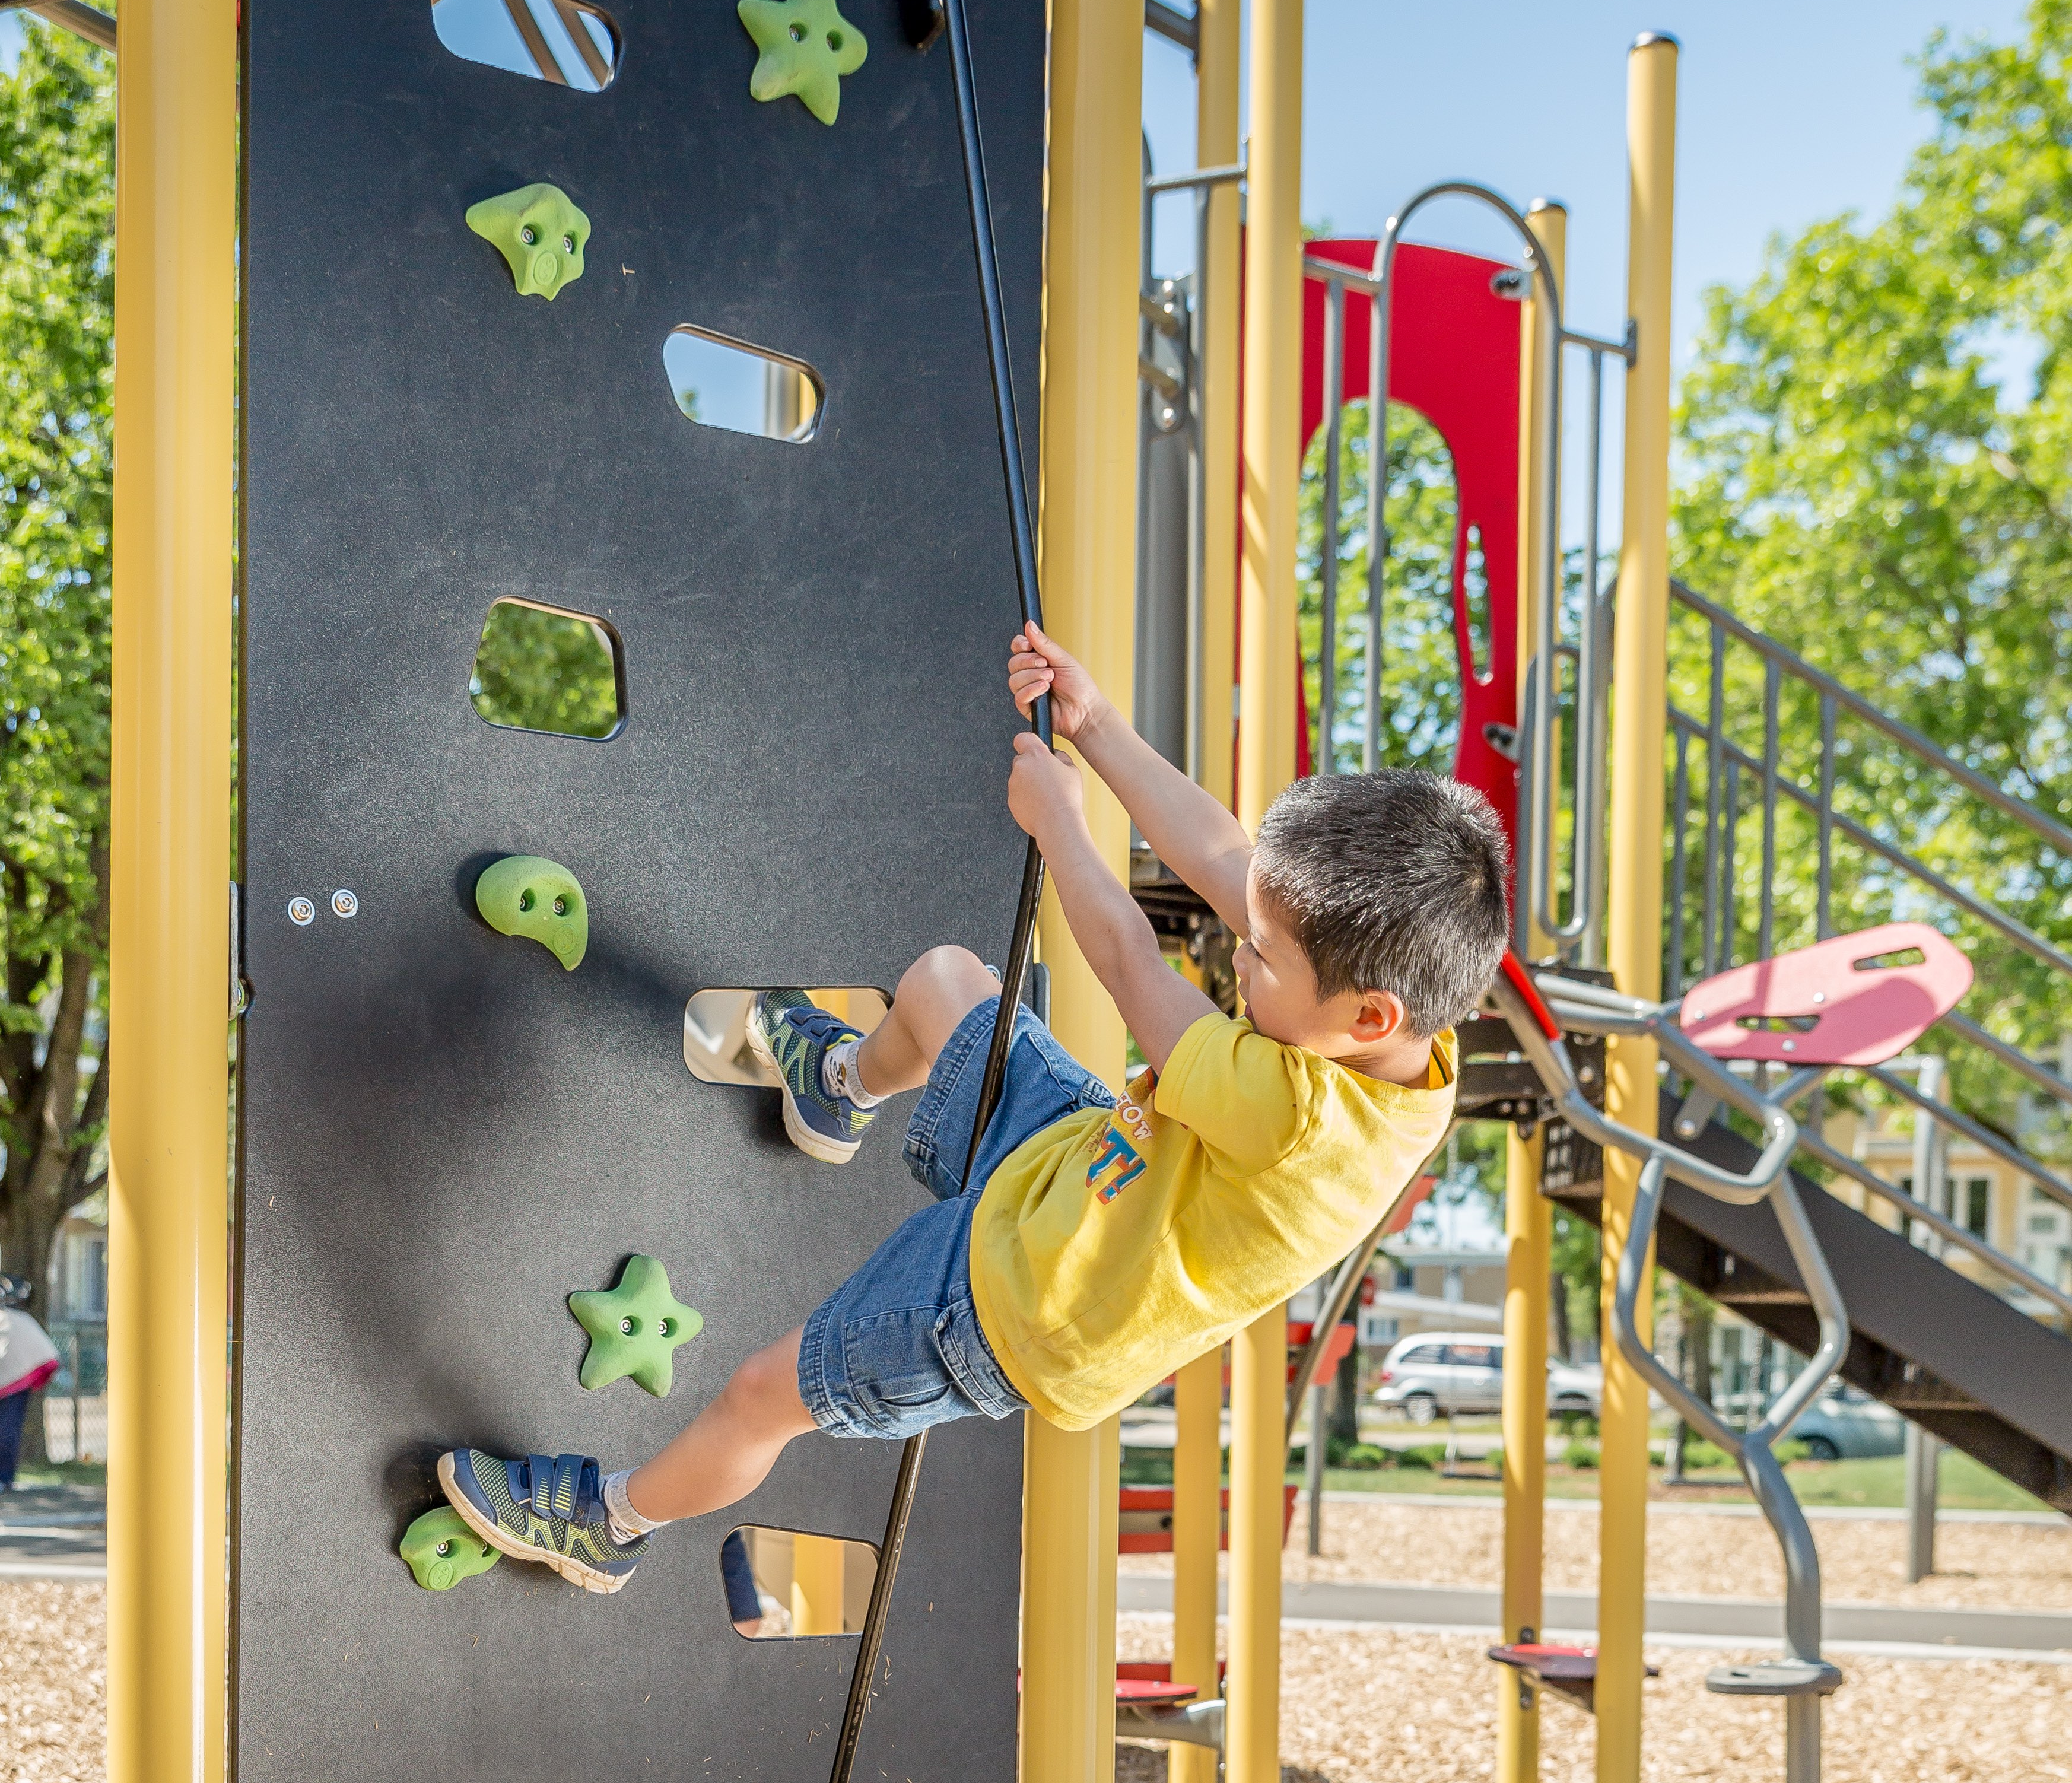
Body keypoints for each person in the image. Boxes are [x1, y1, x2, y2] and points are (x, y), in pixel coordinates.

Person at [437, 622, 1510, 1593]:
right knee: (949, 982)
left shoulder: (1301, 1120)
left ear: (1366, 1016)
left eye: (1262, 961)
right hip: (1087, 1162)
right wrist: (1097, 730)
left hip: (1019, 1304)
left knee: (765, 1387)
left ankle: (606, 1524)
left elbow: (1131, 962)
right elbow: (1232, 860)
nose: (1241, 951)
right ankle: (839, 1085)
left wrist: (1062, 832)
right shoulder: (1394, 1006)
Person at [0, 1285, 59, 1493]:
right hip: (19, 1377)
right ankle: (5, 1477)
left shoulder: (7, 1320)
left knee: (8, 1427)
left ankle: (4, 1477)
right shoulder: (18, 1318)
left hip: (13, 1379)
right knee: (10, 1426)